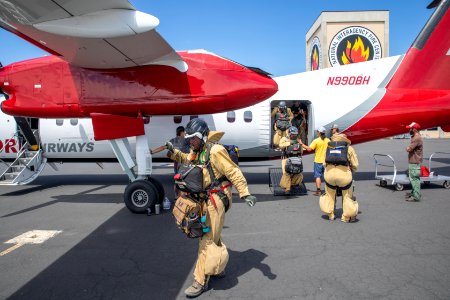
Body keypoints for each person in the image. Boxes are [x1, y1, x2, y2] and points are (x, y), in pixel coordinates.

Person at [166, 118, 257, 297]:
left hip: (215, 199)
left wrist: (245, 193)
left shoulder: (215, 151)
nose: (190, 141)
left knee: (206, 240)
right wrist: (174, 153)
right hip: (203, 199)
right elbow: (187, 159)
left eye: (193, 138)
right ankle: (218, 267)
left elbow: (233, 171)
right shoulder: (197, 150)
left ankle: (200, 281)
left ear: (203, 136)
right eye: (189, 138)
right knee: (213, 235)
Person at [319, 133, 359, 222]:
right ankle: (346, 217)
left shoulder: (328, 148)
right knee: (347, 196)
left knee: (329, 195)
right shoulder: (349, 148)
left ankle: (330, 215)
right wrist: (352, 169)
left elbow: (324, 163)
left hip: (329, 175)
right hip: (344, 176)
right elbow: (355, 164)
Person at [300, 126, 330, 196]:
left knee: (318, 176)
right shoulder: (328, 140)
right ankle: (329, 190)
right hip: (326, 161)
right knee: (327, 176)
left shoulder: (316, 141)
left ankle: (319, 191)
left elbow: (309, 149)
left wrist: (301, 144)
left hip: (318, 161)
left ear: (319, 133)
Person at [279, 126, 304, 194]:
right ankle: (287, 189)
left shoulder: (298, 140)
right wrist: (289, 143)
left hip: (296, 158)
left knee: (298, 172)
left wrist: (300, 144)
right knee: (286, 173)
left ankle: (293, 184)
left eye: (295, 134)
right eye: (293, 134)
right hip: (286, 158)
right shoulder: (284, 139)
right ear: (289, 133)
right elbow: (280, 145)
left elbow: (301, 150)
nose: (294, 135)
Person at [405, 122, 423, 202]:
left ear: (415, 129)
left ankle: (416, 196)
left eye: (410, 128)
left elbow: (409, 149)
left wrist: (407, 148)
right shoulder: (415, 137)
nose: (409, 130)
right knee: (413, 178)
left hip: (414, 161)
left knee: (414, 179)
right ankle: (414, 193)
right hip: (414, 161)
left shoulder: (416, 138)